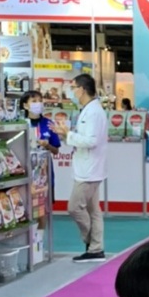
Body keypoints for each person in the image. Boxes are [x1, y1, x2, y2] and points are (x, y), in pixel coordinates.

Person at [66, 73, 108, 262]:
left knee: (74, 207)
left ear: (82, 89)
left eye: (73, 87)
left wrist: (68, 135)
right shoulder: (89, 110)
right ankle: (96, 248)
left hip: (89, 171)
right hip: (89, 168)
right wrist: (68, 135)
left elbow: (91, 141)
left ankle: (92, 242)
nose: (72, 91)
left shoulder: (93, 112)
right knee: (93, 211)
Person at [20, 89, 60, 156]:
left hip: (44, 161)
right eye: (34, 101)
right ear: (25, 105)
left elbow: (56, 151)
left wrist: (47, 145)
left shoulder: (49, 123)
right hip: (24, 160)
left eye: (40, 101)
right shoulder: (21, 123)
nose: (38, 104)